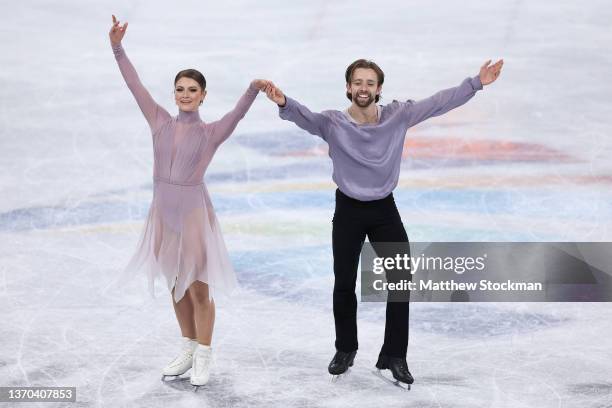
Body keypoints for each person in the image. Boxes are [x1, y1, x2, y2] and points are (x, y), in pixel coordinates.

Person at [263, 57, 503, 385]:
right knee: (344, 282)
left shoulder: (397, 116)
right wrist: (283, 102)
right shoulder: (333, 123)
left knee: (401, 280)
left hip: (384, 211)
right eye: (358, 82)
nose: (363, 88)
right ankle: (345, 348)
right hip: (348, 210)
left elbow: (438, 103)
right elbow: (304, 117)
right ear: (348, 87)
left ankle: (394, 356)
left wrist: (476, 82)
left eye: (370, 83)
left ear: (379, 89)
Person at [109, 15, 270, 386]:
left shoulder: (210, 133)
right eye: (180, 88)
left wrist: (251, 90)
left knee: (198, 287)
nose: (184, 94)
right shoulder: (159, 122)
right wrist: (117, 48)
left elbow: (237, 114)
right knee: (174, 283)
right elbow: (134, 85)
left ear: (202, 95)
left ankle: (204, 353)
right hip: (163, 215)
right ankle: (187, 346)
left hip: (193, 215)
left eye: (192, 90)